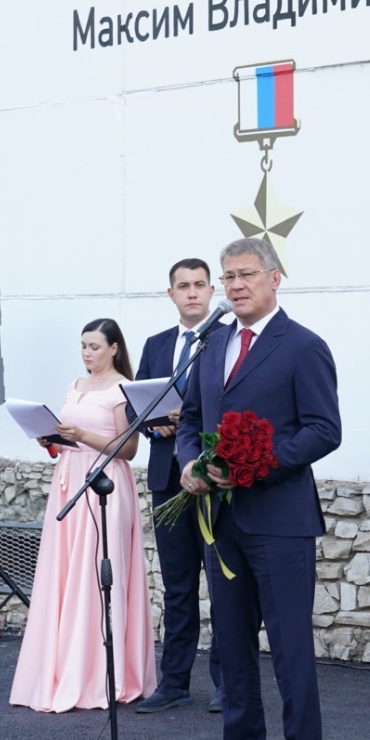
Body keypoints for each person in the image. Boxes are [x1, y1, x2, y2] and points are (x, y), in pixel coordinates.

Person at [177, 237, 342, 740]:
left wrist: (255, 465)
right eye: (228, 276)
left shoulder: (303, 346)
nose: (235, 285)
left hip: (279, 520)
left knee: (290, 648)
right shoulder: (212, 344)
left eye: (246, 274)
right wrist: (190, 463)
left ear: (275, 278)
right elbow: (190, 419)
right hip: (222, 522)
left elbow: (324, 430)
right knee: (231, 646)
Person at [10, 319, 156, 712]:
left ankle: (99, 673)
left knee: (95, 573)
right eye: (83, 346)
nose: (87, 353)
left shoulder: (122, 389)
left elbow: (128, 449)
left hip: (104, 481)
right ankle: (63, 667)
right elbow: (66, 440)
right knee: (64, 573)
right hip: (68, 479)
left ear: (114, 348)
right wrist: (51, 439)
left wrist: (82, 436)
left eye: (94, 346)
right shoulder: (75, 385)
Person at [131, 258, 225, 714]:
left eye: (199, 285)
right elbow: (134, 405)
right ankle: (174, 683)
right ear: (171, 294)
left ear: (211, 291)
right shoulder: (157, 344)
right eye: (183, 286)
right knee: (178, 587)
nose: (192, 292)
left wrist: (189, 420)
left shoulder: (227, 339)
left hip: (214, 479)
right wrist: (154, 425)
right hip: (167, 478)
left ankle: (229, 684)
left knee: (225, 588)